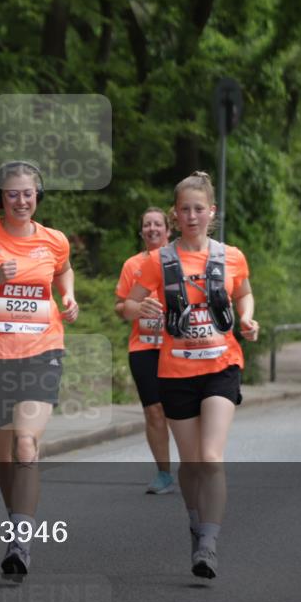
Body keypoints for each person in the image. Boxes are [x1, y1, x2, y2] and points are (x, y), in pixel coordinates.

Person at [123, 171, 259, 580]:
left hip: (221, 366)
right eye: (185, 209)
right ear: (175, 215)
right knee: (190, 463)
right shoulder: (156, 261)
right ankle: (196, 521)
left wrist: (248, 319)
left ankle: (208, 543)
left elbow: (244, 294)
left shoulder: (231, 256)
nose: (192, 215)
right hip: (177, 369)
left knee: (211, 457)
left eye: (199, 209)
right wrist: (141, 310)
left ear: (211, 212)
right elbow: (126, 305)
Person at [0, 161, 77, 576]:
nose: (22, 201)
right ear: (1, 197)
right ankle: (17, 520)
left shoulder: (54, 240)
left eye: (28, 193)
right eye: (13, 194)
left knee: (26, 445)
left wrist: (69, 297)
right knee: (5, 458)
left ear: (38, 194)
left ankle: (20, 540)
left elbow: (63, 271)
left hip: (42, 351)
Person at [115, 207, 174, 494]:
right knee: (154, 411)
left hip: (179, 347)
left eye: (157, 224)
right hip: (143, 347)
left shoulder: (181, 261)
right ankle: (164, 473)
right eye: (146, 224)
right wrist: (138, 308)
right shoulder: (132, 265)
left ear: (168, 230)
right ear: (141, 232)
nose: (152, 228)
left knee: (182, 411)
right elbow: (119, 308)